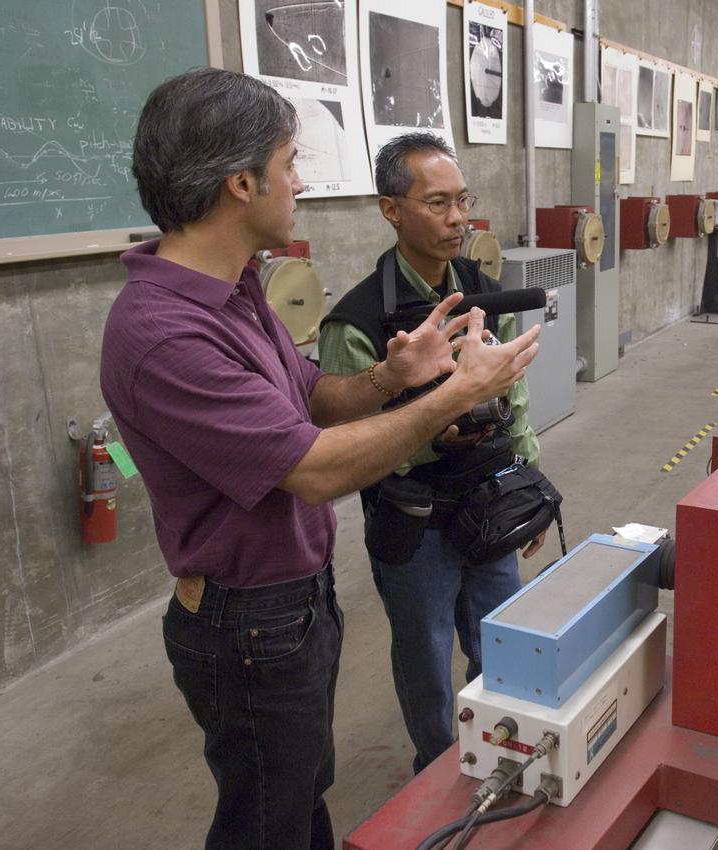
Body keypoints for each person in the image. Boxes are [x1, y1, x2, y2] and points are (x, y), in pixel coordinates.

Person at [99, 69, 539, 850]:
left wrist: (393, 376)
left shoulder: (236, 291)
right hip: (247, 621)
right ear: (241, 182)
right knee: (266, 819)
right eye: (290, 163)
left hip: (293, 604)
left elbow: (306, 392)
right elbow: (314, 469)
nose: (299, 182)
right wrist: (451, 394)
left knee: (299, 798)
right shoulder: (166, 333)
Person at [318, 133, 543, 774]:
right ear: (392, 210)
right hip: (413, 522)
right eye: (438, 203)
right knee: (425, 656)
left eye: (462, 201)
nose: (457, 219)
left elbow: (514, 394)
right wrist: (428, 433)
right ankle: (439, 769)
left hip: (492, 502)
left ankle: (496, 754)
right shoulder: (359, 323)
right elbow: (347, 439)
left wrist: (526, 476)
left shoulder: (482, 288)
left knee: (497, 638)